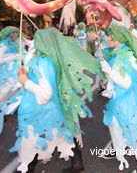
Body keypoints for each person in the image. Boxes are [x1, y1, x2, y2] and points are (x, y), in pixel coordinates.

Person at [13, 27, 103, 173]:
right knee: (65, 131)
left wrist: (25, 81)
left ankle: (28, 169)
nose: (35, 42)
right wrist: (27, 76)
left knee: (31, 143)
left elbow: (45, 94)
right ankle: (77, 165)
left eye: (37, 39)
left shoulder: (41, 62)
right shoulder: (55, 58)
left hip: (41, 111)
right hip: (57, 106)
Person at [99, 25, 137, 173]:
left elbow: (127, 83)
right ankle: (118, 149)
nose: (108, 38)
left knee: (136, 133)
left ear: (120, 37)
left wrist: (109, 71)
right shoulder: (116, 53)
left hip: (130, 103)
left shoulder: (127, 56)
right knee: (120, 128)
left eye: (111, 35)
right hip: (121, 101)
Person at [0, 27, 27, 134]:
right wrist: (14, 56)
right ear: (7, 35)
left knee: (14, 90)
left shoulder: (16, 44)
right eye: (12, 33)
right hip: (5, 73)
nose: (14, 35)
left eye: (16, 33)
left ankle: (5, 108)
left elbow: (23, 54)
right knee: (5, 91)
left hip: (14, 71)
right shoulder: (3, 45)